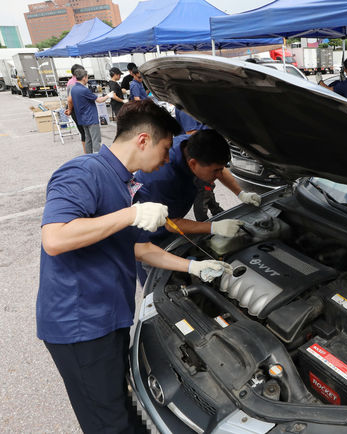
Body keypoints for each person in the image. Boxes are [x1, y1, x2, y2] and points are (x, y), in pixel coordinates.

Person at [37, 99, 232, 433]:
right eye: (165, 148)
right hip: (79, 325)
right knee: (107, 422)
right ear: (143, 140)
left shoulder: (127, 185)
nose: (165, 160)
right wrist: (129, 215)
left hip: (108, 317)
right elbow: (54, 239)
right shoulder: (84, 172)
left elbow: (141, 248)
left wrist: (195, 268)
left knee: (123, 403)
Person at [133, 122, 262, 285]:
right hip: (150, 236)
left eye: (220, 169)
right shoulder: (163, 178)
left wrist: (241, 193)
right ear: (193, 164)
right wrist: (214, 227)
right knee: (159, 282)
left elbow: (218, 167)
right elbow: (172, 224)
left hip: (173, 215)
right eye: (214, 171)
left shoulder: (195, 146)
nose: (218, 174)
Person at [70, 68, 112, 154]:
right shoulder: (84, 90)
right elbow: (99, 100)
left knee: (88, 139)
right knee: (96, 140)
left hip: (82, 118)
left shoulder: (73, 89)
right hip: (91, 118)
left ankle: (88, 156)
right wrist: (108, 95)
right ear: (84, 77)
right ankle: (97, 157)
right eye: (87, 77)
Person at [64, 64, 86, 152]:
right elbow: (70, 99)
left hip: (76, 109)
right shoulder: (73, 83)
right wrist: (69, 110)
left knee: (84, 131)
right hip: (77, 110)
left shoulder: (71, 81)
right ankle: (87, 152)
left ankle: (87, 152)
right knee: (84, 132)